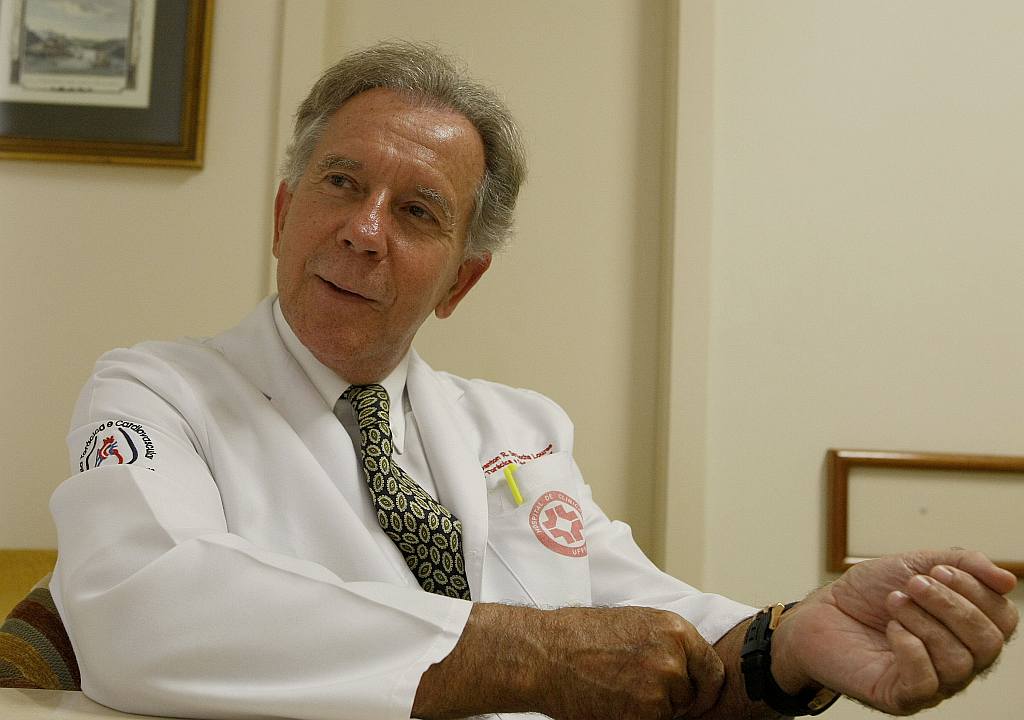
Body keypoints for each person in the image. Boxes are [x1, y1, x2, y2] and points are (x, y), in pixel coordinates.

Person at [50, 42, 1017, 720]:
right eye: (341, 183)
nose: (365, 230)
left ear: (460, 281)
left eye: (418, 211)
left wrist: (799, 641)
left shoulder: (517, 429)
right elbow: (141, 607)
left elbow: (648, 627)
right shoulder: (157, 394)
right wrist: (524, 655)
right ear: (282, 214)